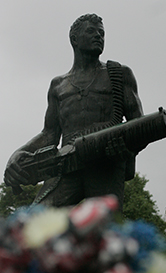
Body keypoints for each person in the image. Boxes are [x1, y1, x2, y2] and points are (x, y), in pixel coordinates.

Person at [4, 14, 144, 209]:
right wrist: (19, 154)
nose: (98, 36)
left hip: (105, 164)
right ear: (74, 39)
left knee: (103, 230)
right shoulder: (58, 85)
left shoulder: (119, 74)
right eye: (91, 31)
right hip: (66, 165)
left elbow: (140, 125)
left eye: (102, 33)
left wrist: (128, 148)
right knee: (33, 221)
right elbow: (50, 134)